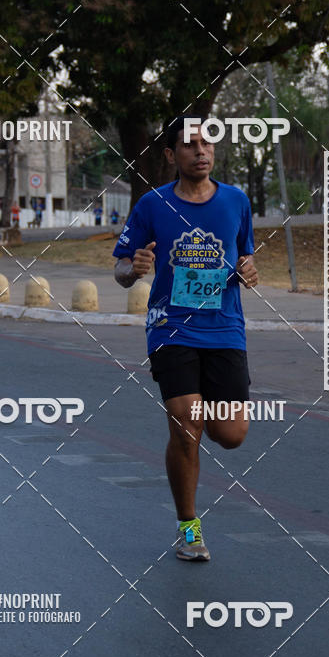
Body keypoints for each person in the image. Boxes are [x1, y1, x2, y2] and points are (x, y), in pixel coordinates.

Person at [113, 117, 258, 561]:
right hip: (170, 327)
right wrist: (132, 268)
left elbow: (246, 256)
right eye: (190, 144)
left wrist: (249, 271)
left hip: (225, 327)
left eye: (207, 143)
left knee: (231, 434)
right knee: (186, 422)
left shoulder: (236, 201)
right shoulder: (152, 205)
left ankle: (200, 435)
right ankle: (189, 528)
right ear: (171, 155)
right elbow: (120, 268)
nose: (201, 151)